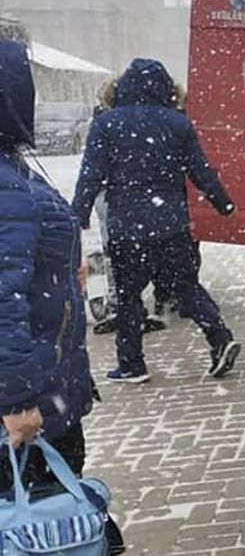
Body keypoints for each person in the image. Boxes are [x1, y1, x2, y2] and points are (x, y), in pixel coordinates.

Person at [0, 40, 124, 550]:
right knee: (47, 532)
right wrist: (18, 400)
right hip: (27, 410)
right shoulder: (7, 190)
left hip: (41, 389)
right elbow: (3, 303)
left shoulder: (13, 175)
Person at [72, 58, 240, 384]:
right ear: (167, 88)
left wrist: (77, 215)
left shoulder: (107, 123)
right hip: (171, 225)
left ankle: (132, 364)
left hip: (128, 228)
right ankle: (219, 339)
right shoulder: (177, 122)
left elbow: (91, 175)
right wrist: (224, 203)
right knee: (187, 287)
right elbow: (200, 170)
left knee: (130, 295)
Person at [88, 78, 169, 336]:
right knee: (129, 250)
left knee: (117, 251)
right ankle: (130, 307)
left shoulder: (106, 122)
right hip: (124, 195)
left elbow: (94, 166)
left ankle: (124, 308)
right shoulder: (139, 120)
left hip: (114, 194)